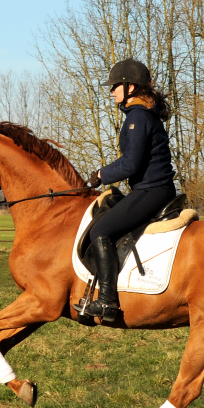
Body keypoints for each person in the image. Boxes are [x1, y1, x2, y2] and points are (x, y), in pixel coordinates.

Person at [73, 58, 176, 322]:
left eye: (115, 85)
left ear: (131, 87)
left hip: (152, 191)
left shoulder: (138, 117)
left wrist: (100, 175)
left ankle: (108, 302)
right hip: (153, 189)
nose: (111, 91)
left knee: (100, 230)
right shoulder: (140, 114)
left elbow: (130, 164)